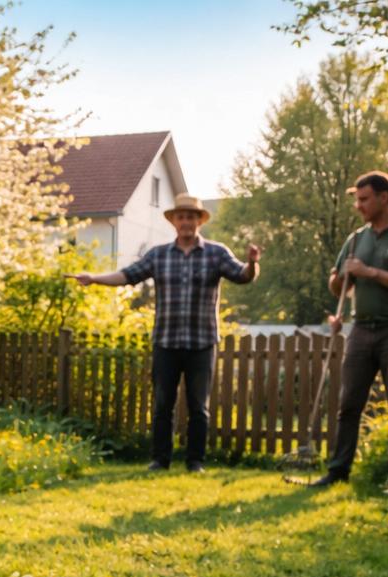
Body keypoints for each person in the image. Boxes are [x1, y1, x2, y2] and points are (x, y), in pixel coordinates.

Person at [70, 194, 258, 472]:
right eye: (181, 217)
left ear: (199, 222)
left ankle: (195, 462)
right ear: (174, 222)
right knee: (162, 406)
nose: (186, 222)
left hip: (202, 343)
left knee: (199, 408)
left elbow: (243, 275)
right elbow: (128, 275)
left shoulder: (217, 253)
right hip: (166, 343)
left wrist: (253, 263)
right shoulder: (158, 255)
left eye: (191, 217)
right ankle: (160, 460)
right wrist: (94, 278)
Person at [309, 170, 388, 489]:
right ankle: (338, 471)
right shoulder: (355, 240)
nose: (358, 206)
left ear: (384, 197)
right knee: (349, 403)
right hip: (361, 331)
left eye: (364, 199)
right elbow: (338, 288)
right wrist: (340, 279)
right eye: (357, 200)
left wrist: (371, 272)